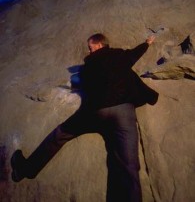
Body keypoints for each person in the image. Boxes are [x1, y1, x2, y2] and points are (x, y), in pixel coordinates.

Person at [11, 33, 158, 202]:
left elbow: (85, 84)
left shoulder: (89, 64)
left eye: (90, 47)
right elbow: (134, 55)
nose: (89, 51)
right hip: (123, 111)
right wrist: (147, 43)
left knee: (60, 134)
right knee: (130, 166)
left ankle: (25, 170)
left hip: (95, 111)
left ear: (100, 45)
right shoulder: (120, 55)